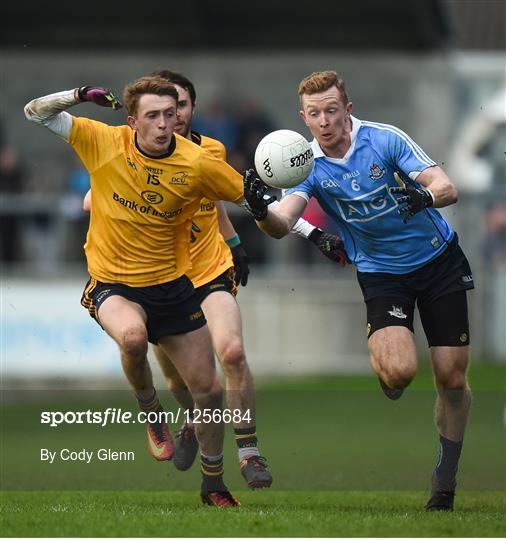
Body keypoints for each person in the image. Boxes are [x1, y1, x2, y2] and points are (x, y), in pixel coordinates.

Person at [243, 71, 474, 512]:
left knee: (451, 377)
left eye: (332, 110)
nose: (325, 120)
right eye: (315, 114)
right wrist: (259, 210)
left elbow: (446, 187)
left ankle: (445, 479)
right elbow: (281, 223)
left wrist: (425, 198)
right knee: (400, 372)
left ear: (347, 110)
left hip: (438, 261)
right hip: (381, 273)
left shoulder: (384, 140)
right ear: (304, 118)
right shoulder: (306, 164)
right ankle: (388, 365)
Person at [24, 76, 247, 507]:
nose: (165, 124)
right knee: (132, 337)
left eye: (170, 114)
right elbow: (35, 111)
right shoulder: (102, 140)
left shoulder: (197, 162)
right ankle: (151, 413)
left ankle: (214, 484)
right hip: (113, 284)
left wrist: (286, 217)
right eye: (153, 116)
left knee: (209, 390)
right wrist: (76, 96)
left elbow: (248, 197)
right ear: (132, 121)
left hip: (173, 288)